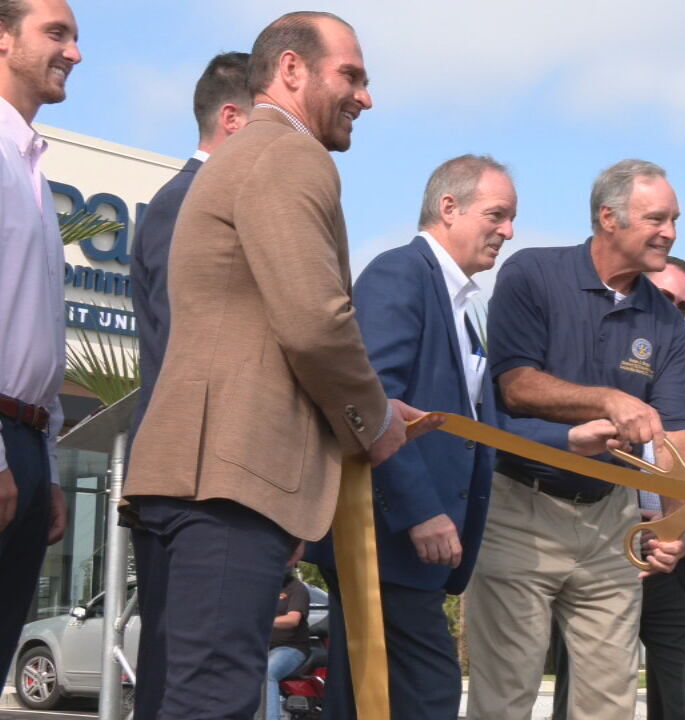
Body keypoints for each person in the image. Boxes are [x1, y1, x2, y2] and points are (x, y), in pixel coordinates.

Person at [123, 12, 432, 719]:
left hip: (202, 477)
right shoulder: (288, 156)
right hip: (230, 481)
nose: (366, 97)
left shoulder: (244, 157)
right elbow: (315, 323)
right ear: (291, 70)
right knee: (215, 699)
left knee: (193, 692)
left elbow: (267, 327)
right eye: (350, 76)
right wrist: (373, 420)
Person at [468, 159, 685, 720]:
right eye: (656, 218)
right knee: (505, 696)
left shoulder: (666, 321)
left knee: (610, 703)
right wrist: (608, 399)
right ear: (609, 218)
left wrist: (677, 520)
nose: (669, 232)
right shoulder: (531, 274)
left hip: (611, 524)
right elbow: (516, 385)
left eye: (674, 220)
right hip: (520, 512)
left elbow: (677, 432)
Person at [306, 155, 516, 720]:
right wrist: (420, 510)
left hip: (411, 548)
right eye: (497, 215)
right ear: (449, 208)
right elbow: (370, 401)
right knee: (428, 691)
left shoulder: (468, 309)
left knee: (369, 699)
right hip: (385, 536)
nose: (509, 231)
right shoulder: (400, 274)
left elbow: (473, 427)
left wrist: (571, 441)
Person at [125, 51, 251, 720]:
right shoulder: (190, 203)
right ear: (232, 120)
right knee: (184, 681)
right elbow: (196, 349)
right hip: (194, 483)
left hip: (201, 481)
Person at [550, 256, 685, 720]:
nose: (671, 310)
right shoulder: (590, 378)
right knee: (584, 703)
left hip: (679, 571)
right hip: (599, 561)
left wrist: (679, 528)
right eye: (664, 296)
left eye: (683, 306)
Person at [0, 0, 79, 685]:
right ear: (2, 38)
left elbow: (38, 340)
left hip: (26, 444)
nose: (74, 53)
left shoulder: (32, 169)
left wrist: (46, 470)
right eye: (56, 34)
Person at [266, 558, 311, 720]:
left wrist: (264, 621)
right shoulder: (262, 589)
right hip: (263, 647)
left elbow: (293, 620)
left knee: (267, 673)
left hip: (291, 648)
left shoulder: (296, 589)